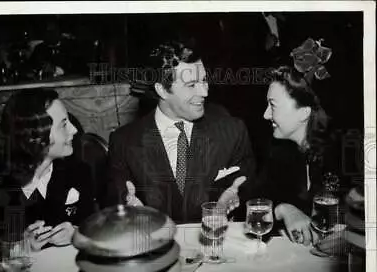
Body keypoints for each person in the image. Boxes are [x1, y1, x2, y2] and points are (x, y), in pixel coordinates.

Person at [104, 39, 256, 223]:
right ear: (162, 90)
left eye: (204, 80)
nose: (205, 92)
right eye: (192, 85)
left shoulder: (232, 131)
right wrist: (128, 210)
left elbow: (250, 193)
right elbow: (114, 202)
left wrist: (234, 202)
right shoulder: (123, 141)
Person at [0, 88, 94, 264]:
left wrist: (77, 232)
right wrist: (21, 247)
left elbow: (96, 228)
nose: (74, 130)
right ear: (35, 137)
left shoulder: (79, 171)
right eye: (64, 124)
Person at [252, 63, 343, 246]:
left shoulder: (344, 154)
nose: (265, 115)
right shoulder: (278, 152)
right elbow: (255, 207)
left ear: (304, 113)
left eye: (272, 105)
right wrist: (284, 209)